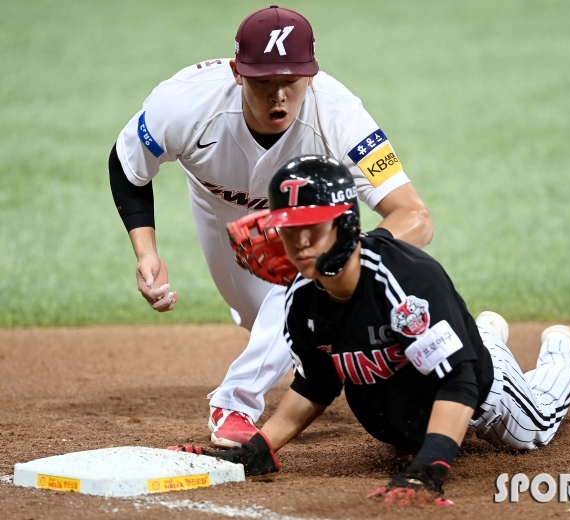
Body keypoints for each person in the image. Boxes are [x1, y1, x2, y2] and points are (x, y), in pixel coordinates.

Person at [168, 155, 570, 505]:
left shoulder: (402, 282)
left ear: (344, 223)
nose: (299, 243)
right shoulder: (300, 298)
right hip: (422, 384)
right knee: (441, 345)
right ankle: (481, 332)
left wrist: (430, 467)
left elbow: (459, 380)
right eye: (290, 230)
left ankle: (564, 358)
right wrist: (263, 447)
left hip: (478, 394)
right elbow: (317, 382)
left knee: (529, 432)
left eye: (312, 228)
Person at [108, 6, 433, 448]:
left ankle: (234, 403)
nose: (278, 95)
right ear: (237, 72)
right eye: (264, 82)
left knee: (305, 284)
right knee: (264, 319)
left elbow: (415, 216)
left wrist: (342, 255)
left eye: (291, 82)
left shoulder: (338, 114)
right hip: (220, 214)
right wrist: (146, 251)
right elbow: (127, 167)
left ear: (312, 76)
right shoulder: (184, 103)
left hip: (306, 225)